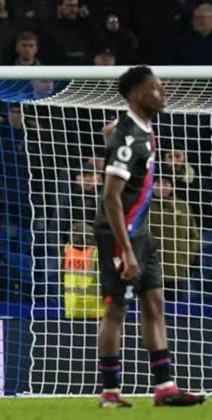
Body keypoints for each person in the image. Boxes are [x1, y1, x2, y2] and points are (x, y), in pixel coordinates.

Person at [94, 66, 205, 408]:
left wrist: (112, 129)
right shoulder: (130, 137)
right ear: (139, 95)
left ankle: (165, 387)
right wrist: (126, 252)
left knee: (155, 301)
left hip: (141, 231)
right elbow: (111, 197)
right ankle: (110, 392)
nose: (163, 94)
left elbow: (110, 130)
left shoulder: (138, 125)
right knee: (117, 309)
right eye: (156, 89)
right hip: (120, 233)